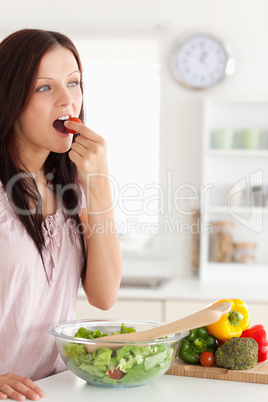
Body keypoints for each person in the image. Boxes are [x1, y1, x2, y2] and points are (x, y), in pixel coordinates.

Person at [0, 29, 122, 401]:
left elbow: (104, 295)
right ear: (10, 97)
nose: (68, 100)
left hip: (54, 391)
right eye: (44, 88)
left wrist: (99, 185)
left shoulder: (74, 188)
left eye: (74, 83)